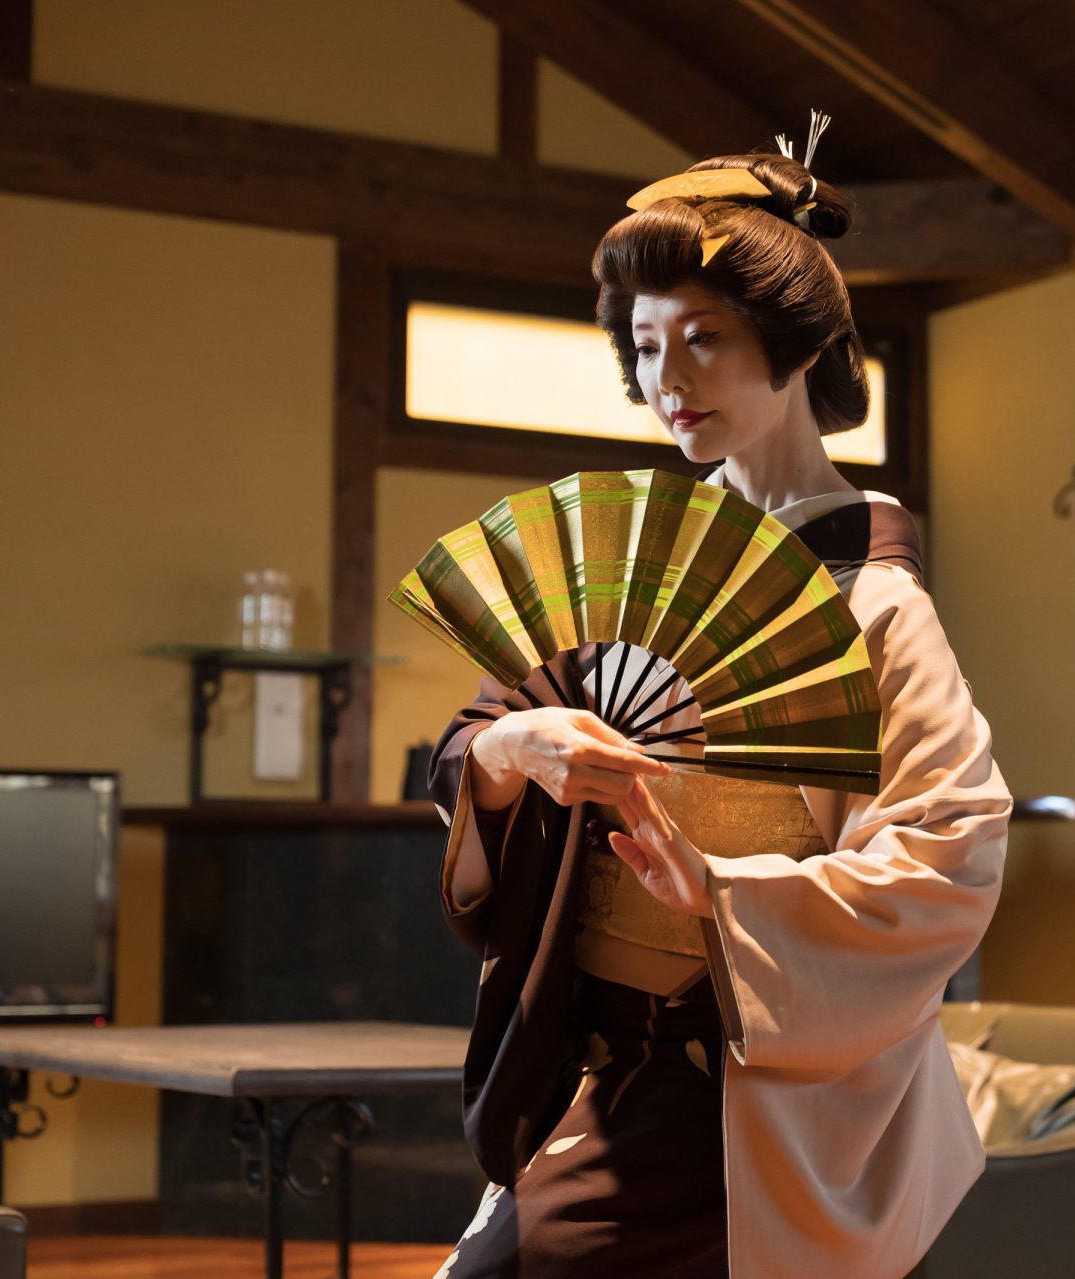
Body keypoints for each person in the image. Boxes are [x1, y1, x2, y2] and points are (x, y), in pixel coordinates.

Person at [426, 138, 1012, 1279]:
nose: (669, 381)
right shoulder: (631, 565)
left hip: (748, 1077)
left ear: (790, 349)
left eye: (704, 339)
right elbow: (470, 739)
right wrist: (512, 747)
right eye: (646, 348)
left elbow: (955, 848)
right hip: (603, 1057)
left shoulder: (875, 602)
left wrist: (727, 893)